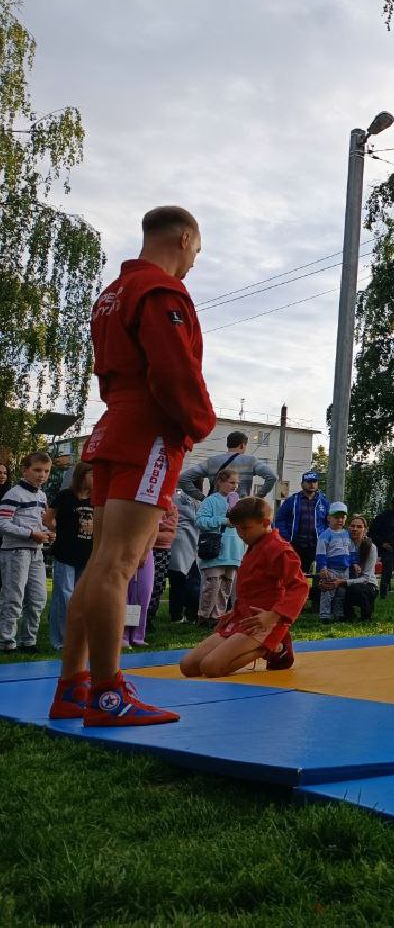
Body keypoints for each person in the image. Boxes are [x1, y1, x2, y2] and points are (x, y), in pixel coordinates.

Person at [52, 206, 217, 726]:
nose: (192, 263)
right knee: (119, 563)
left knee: (102, 560)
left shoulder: (112, 295)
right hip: (148, 429)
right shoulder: (161, 293)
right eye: (195, 251)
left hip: (116, 423)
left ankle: (74, 685)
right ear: (185, 237)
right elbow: (174, 371)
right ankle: (107, 693)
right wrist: (198, 423)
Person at [180, 496, 307, 677]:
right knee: (189, 666)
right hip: (242, 617)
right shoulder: (255, 544)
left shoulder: (279, 549)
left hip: (264, 620)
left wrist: (274, 616)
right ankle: (265, 643)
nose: (241, 534)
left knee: (211, 667)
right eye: (238, 528)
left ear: (265, 523)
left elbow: (300, 587)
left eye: (246, 528)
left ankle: (273, 647)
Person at [0, 451, 55, 653]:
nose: (42, 475)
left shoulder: (42, 495)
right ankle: (7, 641)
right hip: (15, 552)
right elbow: (3, 523)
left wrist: (48, 532)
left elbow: (41, 522)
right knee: (14, 597)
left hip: (36, 553)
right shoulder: (13, 494)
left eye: (46, 471)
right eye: (37, 470)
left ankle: (28, 640)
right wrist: (30, 533)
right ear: (25, 470)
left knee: (38, 598)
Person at [47, 462, 94, 650]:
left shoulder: (97, 499)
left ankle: (78, 638)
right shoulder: (65, 496)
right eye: (93, 475)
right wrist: (57, 530)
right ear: (82, 476)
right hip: (65, 553)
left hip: (87, 554)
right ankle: (60, 640)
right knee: (64, 597)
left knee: (82, 598)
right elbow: (48, 518)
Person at [196, 469, 244, 626]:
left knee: (226, 586)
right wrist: (222, 521)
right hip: (215, 549)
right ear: (220, 482)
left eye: (237, 483)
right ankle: (203, 616)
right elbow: (200, 521)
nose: (234, 486)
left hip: (233, 550)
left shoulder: (239, 502)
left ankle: (218, 617)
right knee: (212, 584)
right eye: (231, 482)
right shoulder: (210, 501)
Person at [178, 430, 277, 502]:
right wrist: (258, 496)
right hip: (240, 509)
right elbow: (271, 477)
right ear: (242, 445)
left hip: (215, 507)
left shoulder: (212, 461)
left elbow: (183, 478)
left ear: (228, 445)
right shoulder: (251, 461)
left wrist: (202, 498)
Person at [273, 470, 328, 577]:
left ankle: (311, 594)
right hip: (296, 545)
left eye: (314, 482)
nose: (312, 484)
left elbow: (329, 521)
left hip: (317, 546)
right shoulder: (292, 501)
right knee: (294, 574)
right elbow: (279, 520)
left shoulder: (324, 502)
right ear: (302, 484)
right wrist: (287, 537)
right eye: (308, 482)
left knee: (315, 576)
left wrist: (324, 536)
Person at [314, 504, 354, 623]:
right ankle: (324, 615)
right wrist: (323, 567)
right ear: (329, 518)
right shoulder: (325, 535)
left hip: (345, 569)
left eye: (343, 517)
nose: (340, 520)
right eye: (336, 517)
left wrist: (354, 563)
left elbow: (351, 550)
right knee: (328, 591)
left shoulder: (347, 534)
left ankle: (339, 613)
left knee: (341, 593)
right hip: (331, 569)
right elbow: (321, 553)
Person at [168, 488, 201, 623]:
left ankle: (177, 614)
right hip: (186, 541)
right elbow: (197, 519)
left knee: (177, 581)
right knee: (189, 581)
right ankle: (187, 614)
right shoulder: (194, 501)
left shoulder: (173, 496)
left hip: (179, 541)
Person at [145, 502, 179, 628]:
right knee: (143, 587)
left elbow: (170, 530)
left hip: (162, 550)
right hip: (145, 548)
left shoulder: (171, 506)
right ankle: (137, 619)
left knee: (158, 585)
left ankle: (149, 618)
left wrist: (152, 527)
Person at [342, 514, 381, 622]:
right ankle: (346, 615)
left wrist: (344, 582)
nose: (355, 529)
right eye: (352, 526)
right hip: (346, 578)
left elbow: (366, 578)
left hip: (367, 584)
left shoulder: (370, 547)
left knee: (355, 589)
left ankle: (366, 616)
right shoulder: (343, 543)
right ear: (348, 527)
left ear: (365, 530)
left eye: (359, 527)